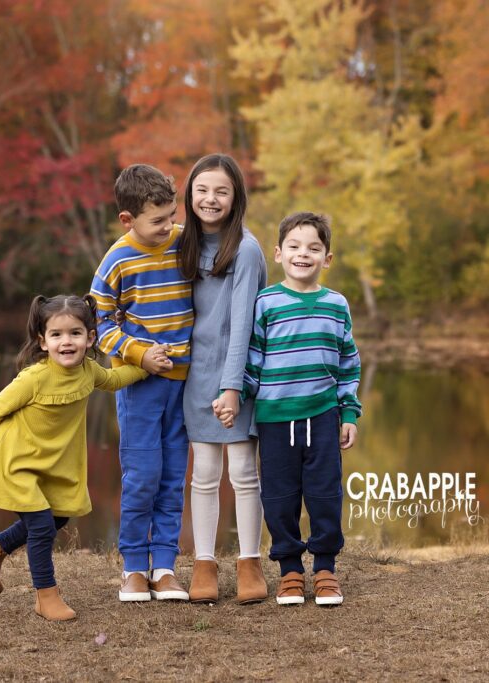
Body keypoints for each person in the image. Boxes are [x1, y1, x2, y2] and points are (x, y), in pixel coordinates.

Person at [0, 294, 150, 621]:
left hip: (46, 464)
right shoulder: (34, 378)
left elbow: (114, 379)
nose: (67, 341)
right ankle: (46, 596)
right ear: (43, 340)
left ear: (90, 337)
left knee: (59, 516)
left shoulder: (89, 371)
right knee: (40, 526)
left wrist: (145, 365)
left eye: (75, 333)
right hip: (15, 460)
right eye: (57, 335)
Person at [238, 212, 362, 607]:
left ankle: (325, 568)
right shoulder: (266, 302)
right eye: (294, 246)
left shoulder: (336, 305)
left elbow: (348, 363)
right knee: (279, 496)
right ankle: (290, 569)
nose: (302, 254)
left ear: (327, 258)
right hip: (275, 420)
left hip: (323, 416)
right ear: (278, 253)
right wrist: (235, 397)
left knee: (325, 494)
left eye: (313, 248)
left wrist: (349, 414)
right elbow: (253, 360)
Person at [90, 164, 194, 602]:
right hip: (141, 387)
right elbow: (98, 321)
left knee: (173, 477)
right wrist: (137, 353)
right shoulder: (118, 258)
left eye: (172, 214)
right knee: (142, 476)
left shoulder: (184, 240)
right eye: (158, 220)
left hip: (185, 383)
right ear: (128, 220)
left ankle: (165, 567)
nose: (168, 225)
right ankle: (134, 567)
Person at [177, 153, 268, 604]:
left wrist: (233, 387)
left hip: (239, 377)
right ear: (190, 195)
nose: (211, 199)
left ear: (236, 199)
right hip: (196, 376)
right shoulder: (183, 246)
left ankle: (250, 561)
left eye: (221, 191)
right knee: (205, 474)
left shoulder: (246, 251)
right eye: (202, 190)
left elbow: (242, 327)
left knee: (245, 472)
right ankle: (204, 563)